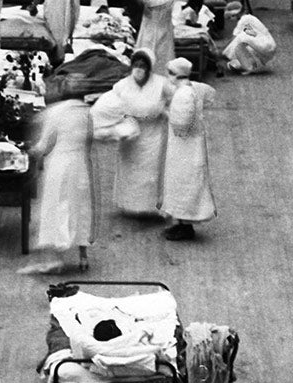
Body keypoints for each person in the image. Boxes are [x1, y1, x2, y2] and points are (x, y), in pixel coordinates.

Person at [22, 99, 97, 275]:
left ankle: (56, 258)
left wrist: (29, 151)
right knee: (81, 208)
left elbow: (43, 144)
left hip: (60, 165)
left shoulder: (55, 112)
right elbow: (89, 139)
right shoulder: (86, 112)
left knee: (56, 208)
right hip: (80, 165)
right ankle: (83, 256)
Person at [91, 50, 170, 217]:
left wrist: (166, 113)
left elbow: (174, 101)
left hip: (154, 134)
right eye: (136, 65)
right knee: (131, 171)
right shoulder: (122, 85)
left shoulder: (162, 84)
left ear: (149, 68)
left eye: (142, 66)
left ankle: (153, 207)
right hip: (131, 134)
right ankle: (131, 205)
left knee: (152, 174)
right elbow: (109, 105)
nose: (138, 69)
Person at [160, 57, 216, 240]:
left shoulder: (183, 94)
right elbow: (210, 94)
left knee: (184, 183)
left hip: (185, 148)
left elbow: (181, 126)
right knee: (182, 182)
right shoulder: (193, 88)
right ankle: (181, 222)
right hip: (188, 146)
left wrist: (165, 112)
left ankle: (185, 225)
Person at [133, 0, 184, 75]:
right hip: (149, 28)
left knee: (163, 53)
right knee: (147, 50)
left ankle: (162, 77)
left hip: (165, 27)